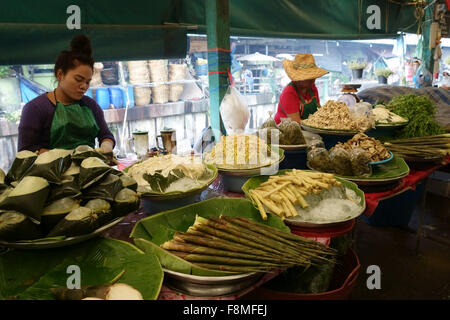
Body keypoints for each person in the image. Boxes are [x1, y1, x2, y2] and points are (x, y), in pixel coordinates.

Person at [18, 34, 115, 156]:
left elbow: (106, 135)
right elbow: (26, 151)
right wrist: (67, 156)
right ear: (60, 75)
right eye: (78, 79)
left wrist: (107, 145)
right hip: (51, 174)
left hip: (90, 169)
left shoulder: (90, 105)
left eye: (87, 82)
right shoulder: (35, 109)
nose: (84, 86)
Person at [273, 53, 329, 124]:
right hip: (286, 129)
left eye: (313, 76)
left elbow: (319, 111)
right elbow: (296, 123)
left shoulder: (312, 88)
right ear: (298, 79)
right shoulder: (289, 93)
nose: (312, 80)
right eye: (308, 77)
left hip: (307, 127)